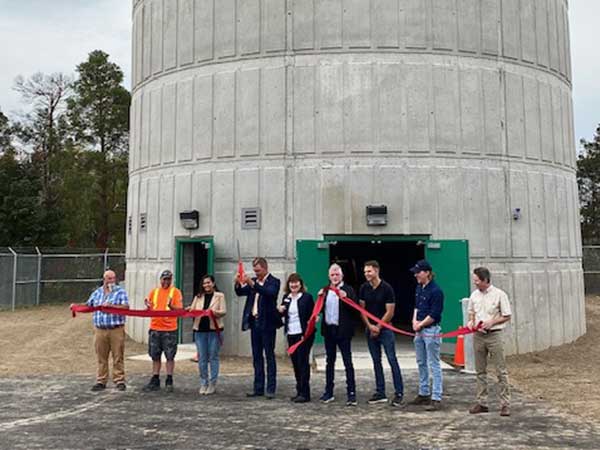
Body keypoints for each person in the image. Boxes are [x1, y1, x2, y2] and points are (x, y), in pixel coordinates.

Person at [467, 267, 512, 417]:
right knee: (480, 370)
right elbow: (471, 313)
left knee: (500, 370)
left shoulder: (499, 295)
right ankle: (482, 402)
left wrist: (492, 322)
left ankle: (505, 403)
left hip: (494, 335)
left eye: (477, 280)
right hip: (478, 335)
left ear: (485, 280)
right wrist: (471, 323)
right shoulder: (474, 295)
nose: (475, 283)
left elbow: (506, 315)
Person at [359, 261, 404, 407]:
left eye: (369, 271)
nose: (367, 274)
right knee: (376, 361)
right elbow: (362, 309)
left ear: (377, 271)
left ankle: (399, 393)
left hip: (385, 329)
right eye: (365, 271)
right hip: (370, 329)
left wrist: (378, 326)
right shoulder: (364, 288)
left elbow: (390, 311)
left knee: (392, 359)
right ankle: (380, 392)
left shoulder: (387, 288)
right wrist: (369, 326)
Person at [234, 257, 281, 399]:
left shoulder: (274, 281)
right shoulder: (253, 282)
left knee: (269, 355)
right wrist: (237, 283)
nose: (256, 273)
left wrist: (253, 284)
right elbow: (240, 292)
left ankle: (271, 388)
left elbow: (270, 293)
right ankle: (258, 387)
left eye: (258, 270)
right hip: (255, 323)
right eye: (254, 270)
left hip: (267, 323)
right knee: (256, 356)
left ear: (265, 268)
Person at [319, 263, 358, 406]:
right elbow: (320, 308)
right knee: (330, 362)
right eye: (332, 275)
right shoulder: (325, 290)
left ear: (342, 276)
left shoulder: (349, 290)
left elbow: (356, 309)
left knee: (348, 362)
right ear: (329, 276)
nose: (335, 277)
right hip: (329, 330)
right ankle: (328, 392)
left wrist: (346, 298)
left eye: (337, 275)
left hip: (343, 332)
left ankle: (351, 393)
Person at [409, 260, 444, 411]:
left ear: (427, 273)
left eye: (419, 272)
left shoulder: (436, 291)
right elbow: (417, 306)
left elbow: (434, 314)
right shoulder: (419, 288)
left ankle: (436, 396)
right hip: (420, 330)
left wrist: (420, 324)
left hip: (431, 330)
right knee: (421, 361)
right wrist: (414, 322)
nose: (416, 275)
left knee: (433, 363)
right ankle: (423, 392)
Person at [85, 270, 129, 391]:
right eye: (109, 279)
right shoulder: (97, 292)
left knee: (118, 355)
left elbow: (126, 307)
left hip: (116, 328)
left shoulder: (120, 292)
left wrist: (112, 307)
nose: (112, 281)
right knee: (101, 356)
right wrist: (76, 306)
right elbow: (89, 305)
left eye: (114, 278)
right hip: (100, 329)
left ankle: (119, 380)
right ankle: (101, 380)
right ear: (104, 280)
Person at [142, 270, 183, 393]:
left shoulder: (175, 292)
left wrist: (172, 307)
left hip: (169, 329)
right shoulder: (154, 292)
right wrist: (148, 307)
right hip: (155, 328)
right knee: (155, 355)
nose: (166, 281)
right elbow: (149, 309)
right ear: (160, 279)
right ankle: (155, 378)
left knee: (170, 355)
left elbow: (180, 310)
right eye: (164, 279)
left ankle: (169, 379)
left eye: (168, 279)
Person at [278, 273, 315, 403]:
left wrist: (311, 325)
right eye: (291, 283)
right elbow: (282, 315)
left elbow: (313, 315)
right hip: (291, 334)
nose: (294, 285)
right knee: (295, 364)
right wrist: (280, 310)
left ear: (301, 284)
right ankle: (299, 390)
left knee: (303, 363)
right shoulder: (286, 298)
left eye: (296, 282)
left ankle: (305, 393)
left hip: (303, 335)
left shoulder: (307, 297)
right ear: (288, 285)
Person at [189, 275, 227, 395]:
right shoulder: (198, 296)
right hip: (200, 330)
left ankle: (212, 383)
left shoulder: (220, 296)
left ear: (213, 283)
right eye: (204, 283)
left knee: (213, 356)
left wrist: (212, 313)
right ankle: (203, 382)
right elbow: (192, 310)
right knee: (202, 358)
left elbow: (223, 311)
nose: (206, 285)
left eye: (208, 283)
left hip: (214, 330)